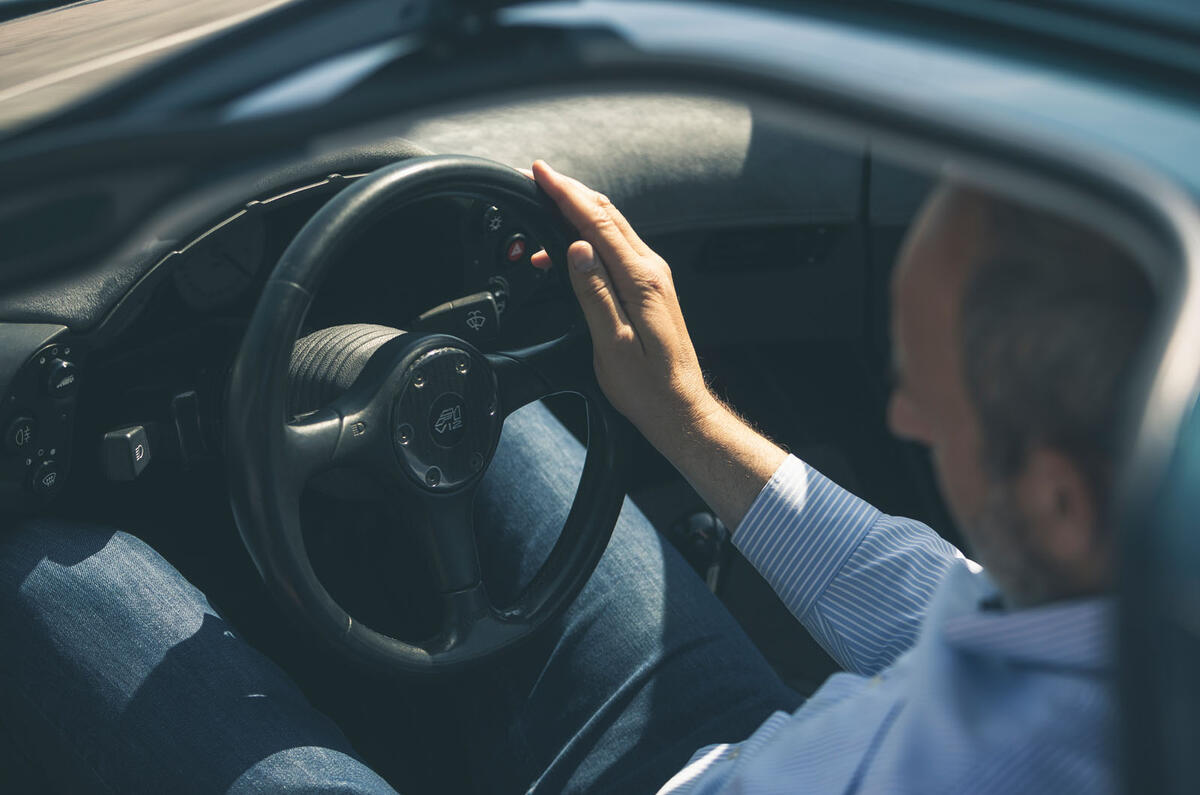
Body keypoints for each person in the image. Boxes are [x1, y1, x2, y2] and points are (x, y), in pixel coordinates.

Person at [0, 161, 1153, 793]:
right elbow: (936, 598)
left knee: (45, 575)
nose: (899, 410)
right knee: (466, 409)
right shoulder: (1120, 595)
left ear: (1055, 496)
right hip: (720, 755)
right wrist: (685, 414)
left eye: (929, 393)